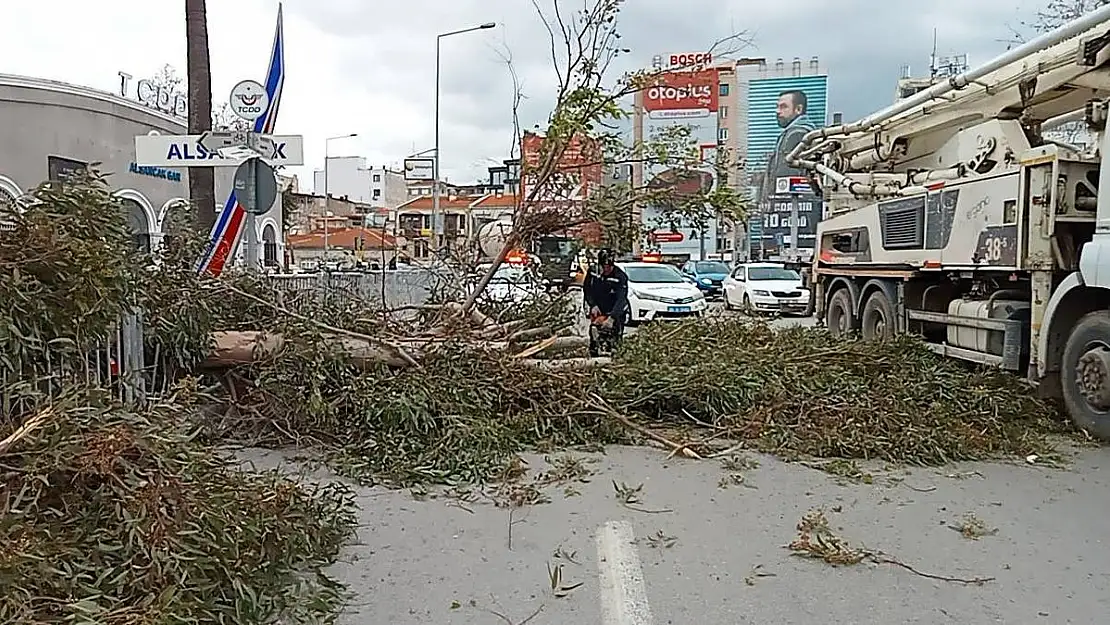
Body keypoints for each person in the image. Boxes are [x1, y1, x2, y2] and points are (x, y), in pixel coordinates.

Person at [760, 89, 818, 200]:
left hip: (789, 203)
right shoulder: (797, 132)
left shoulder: (797, 134)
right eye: (777, 106)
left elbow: (786, 172)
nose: (777, 111)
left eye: (783, 107)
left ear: (798, 109)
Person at [582, 249, 629, 356]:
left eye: (608, 267)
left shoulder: (620, 277)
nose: (605, 270)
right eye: (603, 266)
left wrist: (612, 317)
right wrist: (592, 304)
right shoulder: (593, 271)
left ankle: (614, 354)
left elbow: (621, 299)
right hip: (599, 308)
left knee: (614, 339)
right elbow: (587, 289)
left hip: (615, 310)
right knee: (594, 334)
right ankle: (594, 356)